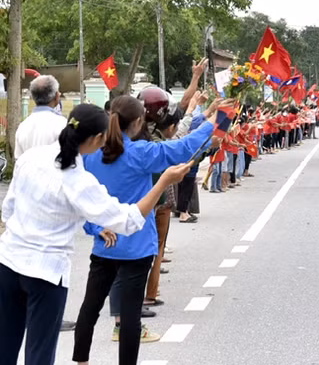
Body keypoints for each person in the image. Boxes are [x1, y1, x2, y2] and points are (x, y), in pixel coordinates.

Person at [0, 104, 191, 365]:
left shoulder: (30, 158)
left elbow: (8, 209)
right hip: (46, 273)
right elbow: (128, 220)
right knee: (39, 352)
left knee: (5, 347)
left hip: (8, 262)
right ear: (97, 139)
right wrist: (163, 182)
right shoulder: (78, 180)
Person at [72, 95, 216, 365]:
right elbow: (183, 148)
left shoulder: (90, 155)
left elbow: (80, 201)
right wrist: (215, 122)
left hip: (104, 245)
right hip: (136, 247)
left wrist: (95, 227)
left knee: (89, 309)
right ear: (139, 122)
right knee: (130, 318)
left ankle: (81, 362)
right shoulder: (140, 153)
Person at [13, 75, 79, 333]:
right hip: (54, 199)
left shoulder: (23, 127)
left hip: (28, 199)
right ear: (56, 97)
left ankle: (32, 312)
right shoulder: (62, 125)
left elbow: (18, 163)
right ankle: (51, 315)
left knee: (29, 258)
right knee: (53, 258)